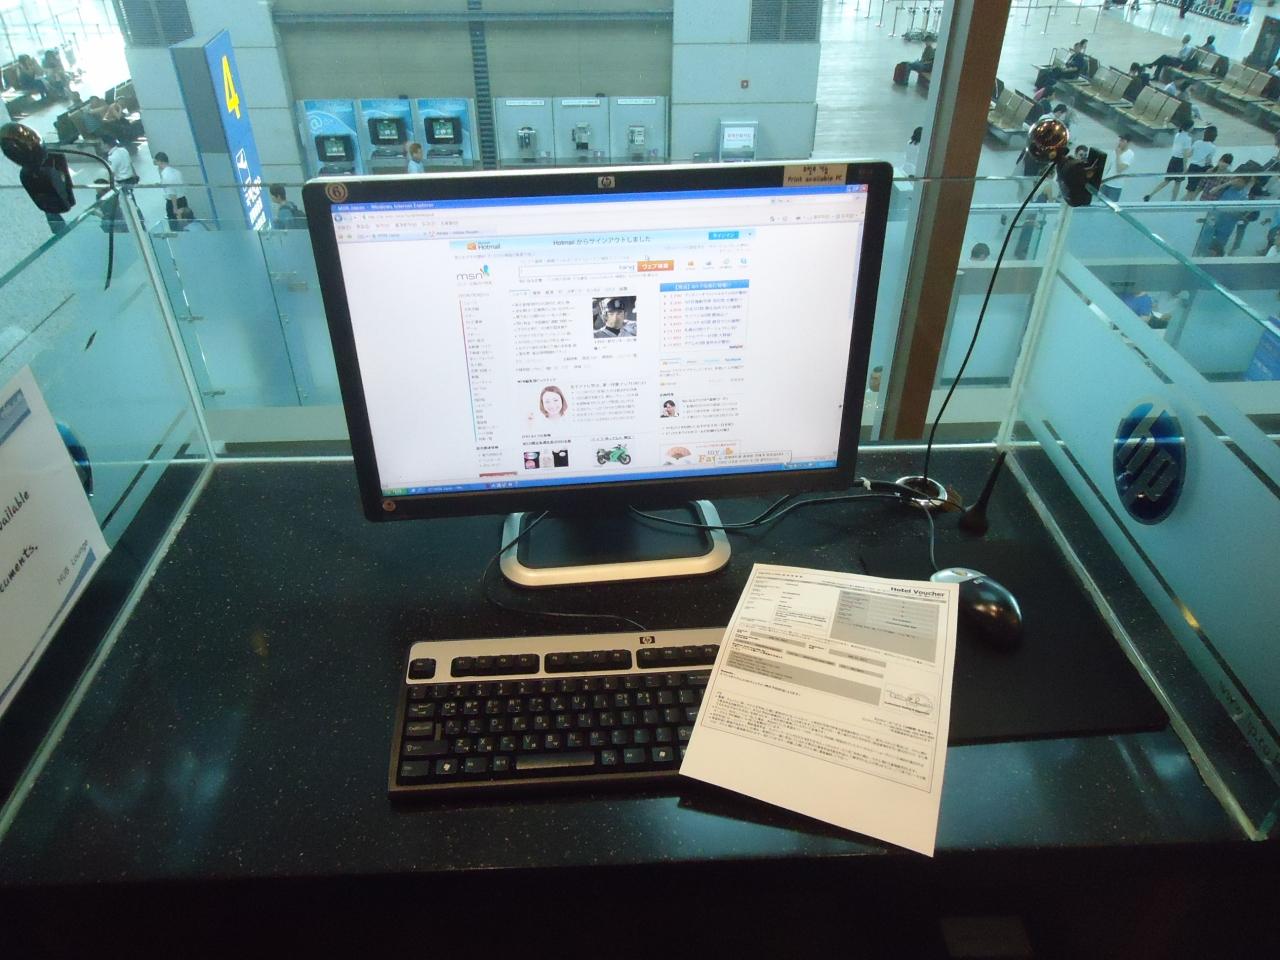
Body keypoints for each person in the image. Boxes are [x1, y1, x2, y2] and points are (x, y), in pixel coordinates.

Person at [1145, 119, 1194, 201]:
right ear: (1189, 128)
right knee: (1177, 183)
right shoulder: (1188, 139)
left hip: (1173, 159)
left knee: (1167, 180)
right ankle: (1173, 200)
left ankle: (1151, 194)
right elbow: (1185, 154)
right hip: (1180, 162)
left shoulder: (1177, 135)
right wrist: (1185, 167)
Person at [1183, 125, 1218, 200]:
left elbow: (1189, 154)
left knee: (1190, 190)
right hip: (1201, 169)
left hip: (1192, 167)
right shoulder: (1213, 147)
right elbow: (1208, 161)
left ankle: (1184, 202)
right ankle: (1188, 203)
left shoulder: (1197, 142)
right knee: (1197, 189)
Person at [154, 152, 187, 230]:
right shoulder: (177, 172)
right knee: (185, 222)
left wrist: (175, 208)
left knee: (175, 225)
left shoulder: (166, 175)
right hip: (183, 199)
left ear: (160, 161)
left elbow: (172, 193)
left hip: (173, 202)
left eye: (156, 161)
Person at [1100, 135, 1134, 202]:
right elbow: (1110, 167)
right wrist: (1103, 180)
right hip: (1106, 183)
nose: (1120, 142)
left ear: (1128, 143)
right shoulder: (1115, 151)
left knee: (1111, 204)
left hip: (1115, 186)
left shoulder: (1130, 154)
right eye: (1120, 140)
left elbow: (1119, 169)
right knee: (1100, 203)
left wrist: (1118, 155)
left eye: (1123, 141)